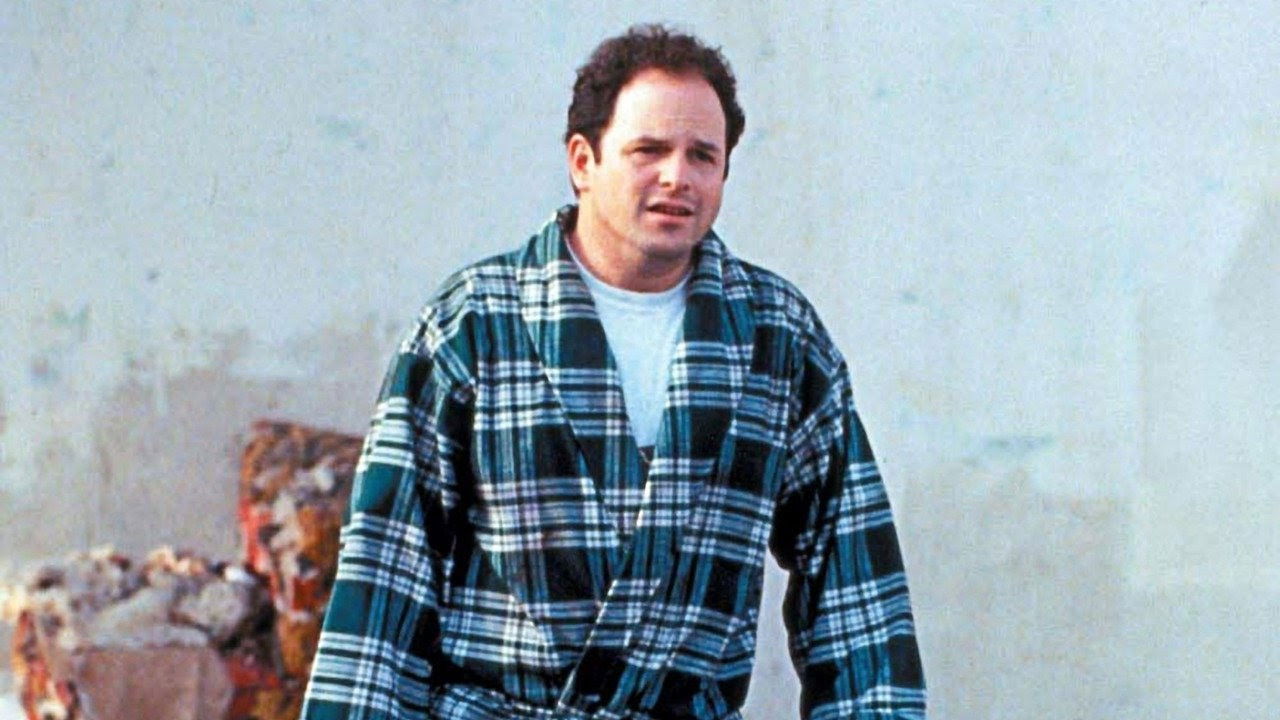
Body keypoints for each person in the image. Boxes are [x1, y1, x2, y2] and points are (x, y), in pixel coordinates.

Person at [301, 24, 925, 720]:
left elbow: (857, 594)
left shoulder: (777, 339)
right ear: (583, 160)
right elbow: (384, 581)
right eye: (648, 150)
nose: (677, 177)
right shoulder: (472, 326)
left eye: (702, 156)